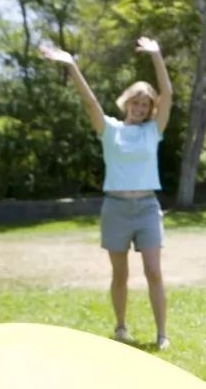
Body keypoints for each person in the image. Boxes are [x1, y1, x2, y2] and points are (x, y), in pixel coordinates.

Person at [41, 37, 174, 351]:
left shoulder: (152, 131)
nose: (140, 109)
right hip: (115, 207)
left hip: (145, 207)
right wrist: (71, 65)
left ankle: (162, 334)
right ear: (126, 102)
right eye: (135, 102)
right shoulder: (109, 130)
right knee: (120, 275)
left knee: (154, 271)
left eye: (145, 105)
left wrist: (157, 55)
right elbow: (90, 102)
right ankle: (121, 327)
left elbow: (168, 94)